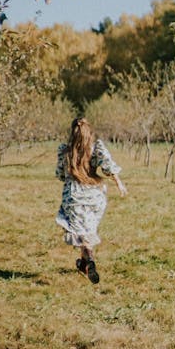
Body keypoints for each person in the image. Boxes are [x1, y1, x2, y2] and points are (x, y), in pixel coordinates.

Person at [55, 117, 127, 284]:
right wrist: (119, 184)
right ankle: (85, 264)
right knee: (86, 234)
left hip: (74, 198)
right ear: (89, 133)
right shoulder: (95, 149)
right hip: (95, 197)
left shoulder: (66, 152)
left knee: (80, 235)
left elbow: (60, 174)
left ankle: (88, 260)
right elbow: (108, 166)